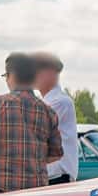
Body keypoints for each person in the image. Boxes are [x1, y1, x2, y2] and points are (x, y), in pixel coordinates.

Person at [0, 52, 62, 194]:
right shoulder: (48, 111)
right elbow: (55, 154)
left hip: (2, 188)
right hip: (37, 192)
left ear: (11, 76)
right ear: (33, 77)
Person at [32, 51, 79, 184]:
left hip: (57, 177)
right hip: (49, 177)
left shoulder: (60, 101)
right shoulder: (45, 102)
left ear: (51, 72)